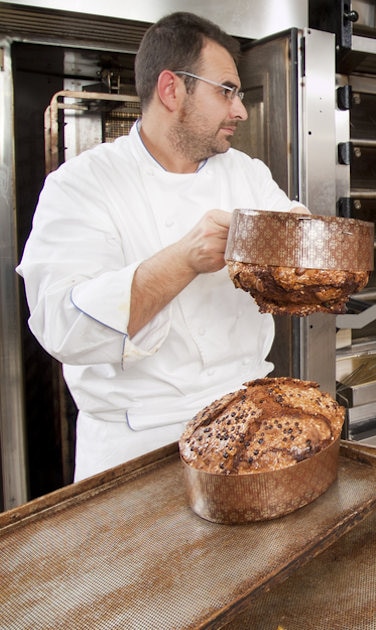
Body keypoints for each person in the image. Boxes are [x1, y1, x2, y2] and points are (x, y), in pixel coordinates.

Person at [17, 12, 307, 481]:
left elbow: (298, 232)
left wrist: (303, 240)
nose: (241, 111)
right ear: (172, 90)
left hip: (246, 427)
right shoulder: (82, 185)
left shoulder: (245, 173)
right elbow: (63, 328)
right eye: (226, 91)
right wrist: (185, 259)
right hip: (138, 446)